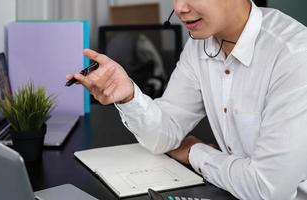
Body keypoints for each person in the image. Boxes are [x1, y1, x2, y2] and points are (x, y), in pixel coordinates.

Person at [66, 0, 307, 199]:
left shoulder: (294, 55)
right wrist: (129, 95)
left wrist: (194, 152)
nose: (179, 7)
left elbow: (267, 189)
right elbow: (165, 134)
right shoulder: (200, 45)